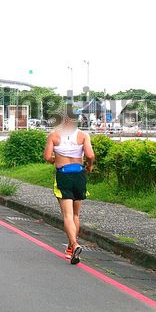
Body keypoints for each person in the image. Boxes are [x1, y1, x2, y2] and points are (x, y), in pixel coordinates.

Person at [43, 111, 95, 265]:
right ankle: (72, 248)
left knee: (67, 215)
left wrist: (55, 160)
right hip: (79, 175)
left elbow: (46, 157)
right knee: (76, 215)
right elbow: (90, 155)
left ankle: (74, 245)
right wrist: (89, 166)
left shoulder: (54, 135)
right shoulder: (83, 135)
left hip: (63, 175)